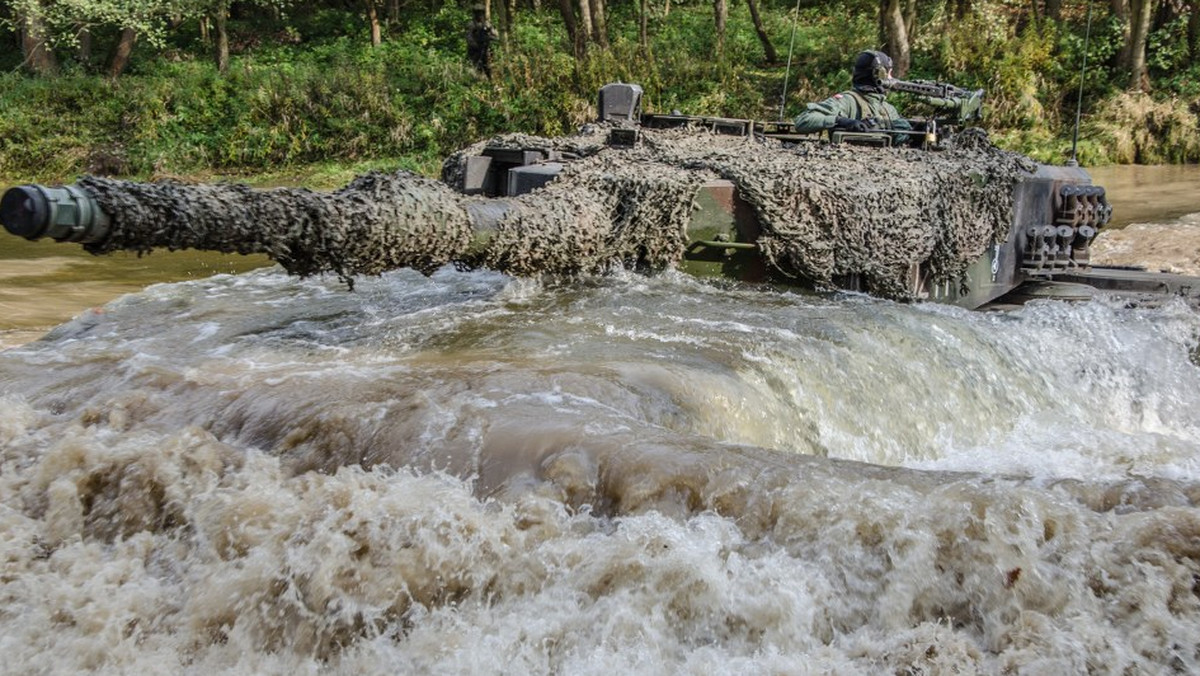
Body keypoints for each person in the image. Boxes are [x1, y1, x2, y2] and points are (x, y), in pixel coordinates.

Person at [793, 50, 913, 140]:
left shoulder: (888, 109)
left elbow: (902, 141)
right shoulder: (847, 101)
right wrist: (842, 121)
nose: (891, 78)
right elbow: (803, 121)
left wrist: (916, 131)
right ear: (879, 75)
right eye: (889, 73)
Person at [466, 6, 499, 78]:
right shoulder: (471, 24)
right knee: (476, 68)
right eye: (477, 13)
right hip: (475, 51)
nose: (479, 15)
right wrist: (475, 44)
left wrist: (489, 37)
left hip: (485, 49)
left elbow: (496, 36)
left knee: (487, 68)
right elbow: (469, 37)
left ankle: (490, 83)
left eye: (481, 13)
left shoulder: (487, 24)